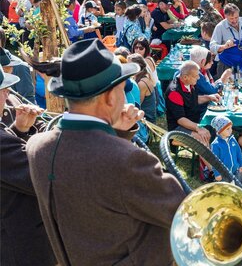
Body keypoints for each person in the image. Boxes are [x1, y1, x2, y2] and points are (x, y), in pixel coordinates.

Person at [25, 39, 186, 265]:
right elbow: (183, 211)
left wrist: (115, 134)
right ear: (110, 97)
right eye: (122, 90)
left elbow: (94, 191)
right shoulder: (128, 160)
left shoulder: (37, 147)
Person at [0, 67, 57, 266]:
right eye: (2, 89)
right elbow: (48, 177)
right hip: (20, 251)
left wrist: (19, 130)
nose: (8, 94)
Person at [165, 61, 220, 145]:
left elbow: (192, 99)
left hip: (192, 121)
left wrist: (209, 97)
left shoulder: (189, 83)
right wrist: (198, 128)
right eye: (196, 76)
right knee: (204, 137)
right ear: (185, 77)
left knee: (215, 129)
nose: (198, 78)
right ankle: (209, 157)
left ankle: (208, 156)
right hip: (178, 127)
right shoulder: (174, 92)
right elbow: (181, 120)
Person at [210, 3, 242, 77]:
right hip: (226, 66)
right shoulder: (220, 27)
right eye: (231, 18)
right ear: (225, 16)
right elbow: (212, 47)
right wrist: (224, 46)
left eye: (236, 17)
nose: (235, 21)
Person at [210, 116, 242, 182]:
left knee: (237, 188)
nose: (231, 130)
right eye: (228, 129)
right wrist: (217, 174)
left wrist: (241, 164)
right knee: (226, 190)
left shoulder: (232, 139)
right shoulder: (215, 144)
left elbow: (238, 152)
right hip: (223, 174)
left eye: (231, 128)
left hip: (236, 171)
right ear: (220, 130)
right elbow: (214, 161)